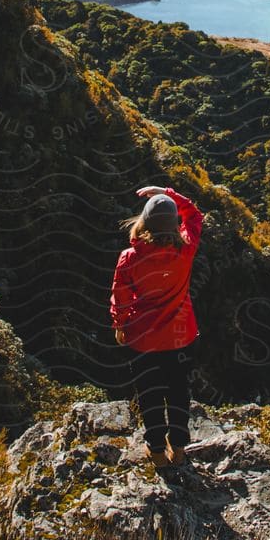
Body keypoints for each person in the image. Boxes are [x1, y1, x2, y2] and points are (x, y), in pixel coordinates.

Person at [110, 183, 205, 470]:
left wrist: (120, 324)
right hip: (181, 338)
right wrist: (169, 195)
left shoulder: (131, 257)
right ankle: (178, 447)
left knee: (149, 394)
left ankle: (156, 453)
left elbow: (121, 296)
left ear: (145, 222)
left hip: (143, 340)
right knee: (178, 392)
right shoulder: (186, 249)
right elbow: (195, 216)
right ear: (173, 223)